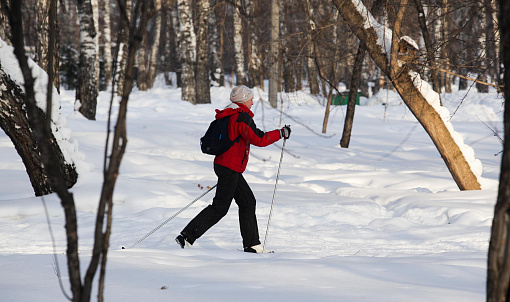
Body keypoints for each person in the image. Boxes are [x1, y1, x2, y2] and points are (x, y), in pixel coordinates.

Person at [176, 85, 291, 253]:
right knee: (220, 207)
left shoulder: (228, 114)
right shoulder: (241, 118)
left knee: (247, 202)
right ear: (244, 100)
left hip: (227, 166)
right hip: (229, 167)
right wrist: (280, 133)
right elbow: (259, 139)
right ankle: (186, 237)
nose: (253, 102)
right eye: (251, 99)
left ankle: (252, 245)